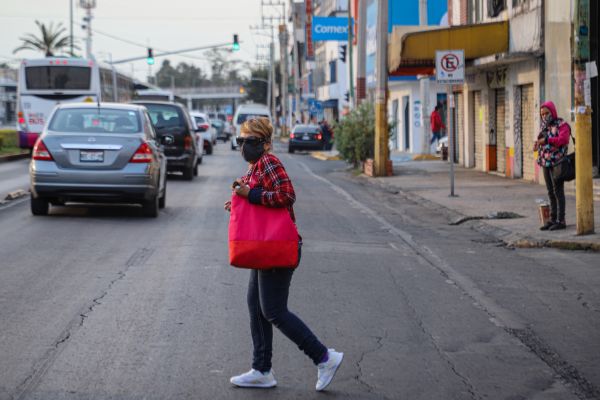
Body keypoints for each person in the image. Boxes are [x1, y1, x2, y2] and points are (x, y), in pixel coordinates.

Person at [224, 117, 344, 391]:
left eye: (251, 141)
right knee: (255, 306)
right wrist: (239, 203)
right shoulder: (254, 166)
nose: (245, 146)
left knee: (274, 311)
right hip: (264, 245)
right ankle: (262, 369)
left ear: (265, 143)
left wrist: (251, 195)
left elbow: (286, 195)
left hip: (277, 246)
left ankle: (324, 357)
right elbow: (256, 197)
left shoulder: (269, 162)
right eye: (241, 141)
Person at [534, 101, 571, 231]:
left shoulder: (562, 125)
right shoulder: (544, 126)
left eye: (546, 113)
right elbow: (541, 140)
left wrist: (547, 140)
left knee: (558, 191)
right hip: (545, 163)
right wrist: (537, 143)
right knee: (550, 192)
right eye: (542, 114)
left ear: (552, 112)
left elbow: (563, 140)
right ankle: (552, 219)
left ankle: (561, 220)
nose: (544, 116)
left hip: (557, 163)